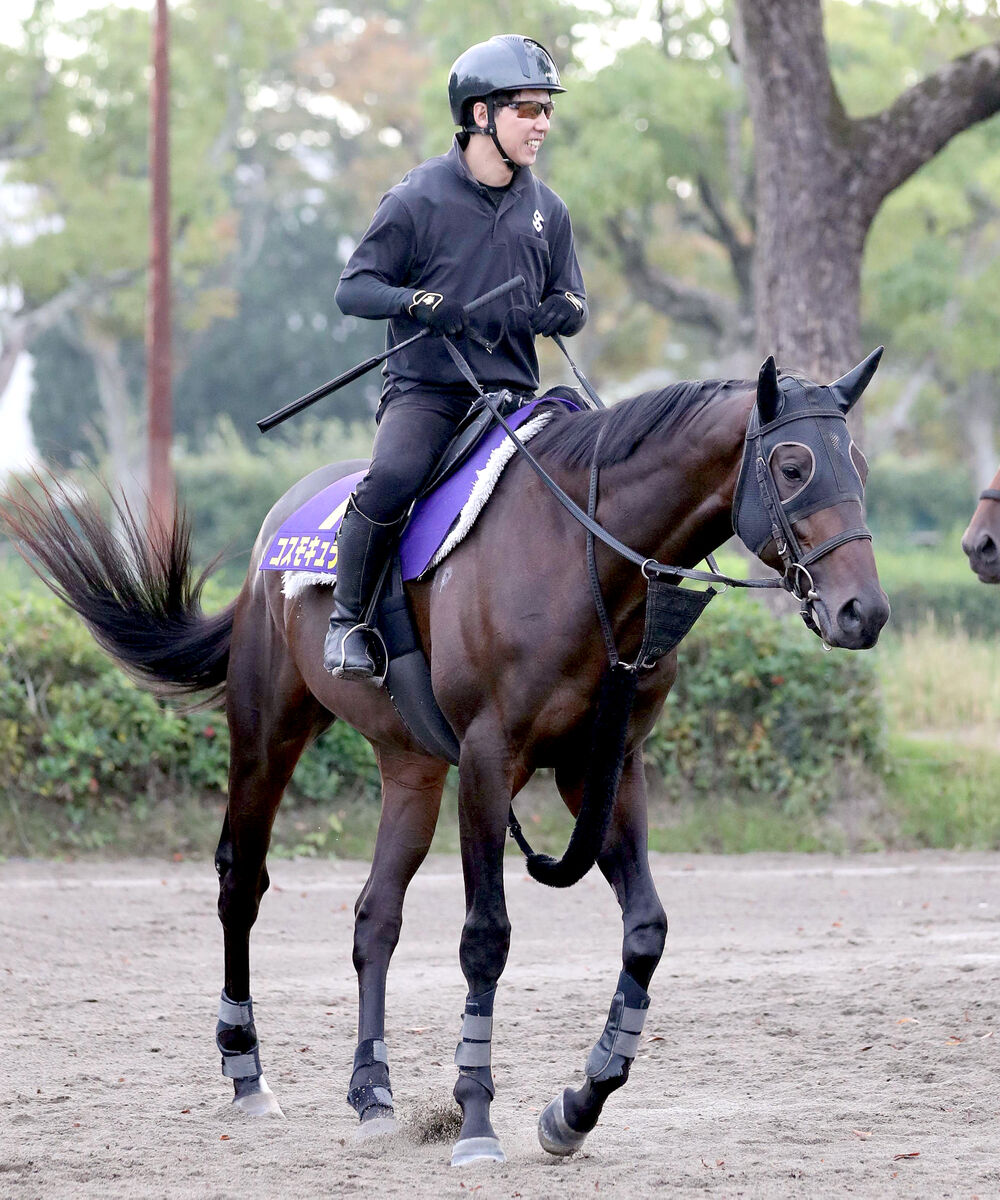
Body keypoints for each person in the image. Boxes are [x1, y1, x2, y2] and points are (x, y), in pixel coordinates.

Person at [324, 34, 588, 681]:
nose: (543, 123)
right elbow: (352, 290)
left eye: (547, 109)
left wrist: (568, 312)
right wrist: (415, 300)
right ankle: (348, 621)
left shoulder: (548, 212)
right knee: (391, 479)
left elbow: (572, 296)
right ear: (479, 115)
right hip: (429, 394)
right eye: (527, 109)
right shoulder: (416, 198)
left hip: (518, 399)